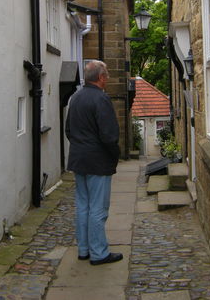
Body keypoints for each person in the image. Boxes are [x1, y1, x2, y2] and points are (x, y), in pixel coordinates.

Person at [65, 60, 123, 266]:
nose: (107, 79)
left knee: (83, 206)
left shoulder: (75, 98)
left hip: (78, 159)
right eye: (106, 75)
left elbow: (68, 130)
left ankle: (84, 249)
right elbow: (109, 135)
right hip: (98, 161)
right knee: (98, 208)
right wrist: (115, 154)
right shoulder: (101, 99)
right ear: (100, 77)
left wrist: (81, 146)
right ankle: (99, 253)